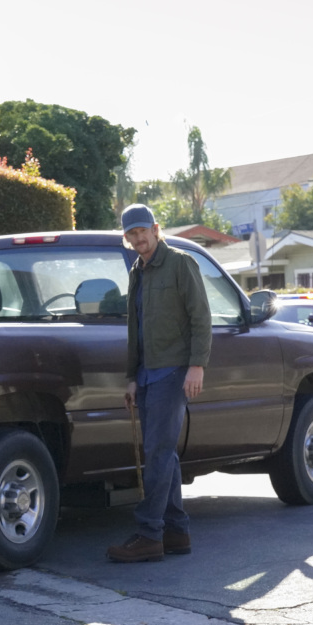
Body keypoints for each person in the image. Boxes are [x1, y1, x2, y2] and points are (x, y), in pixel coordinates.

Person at [106, 204, 211, 563]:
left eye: (143, 231)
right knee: (164, 455)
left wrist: (196, 366)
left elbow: (201, 317)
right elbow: (135, 329)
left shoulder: (181, 263)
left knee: (158, 453)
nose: (139, 239)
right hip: (147, 374)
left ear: (155, 229)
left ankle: (150, 534)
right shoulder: (137, 271)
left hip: (174, 371)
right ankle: (176, 532)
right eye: (132, 234)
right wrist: (131, 377)